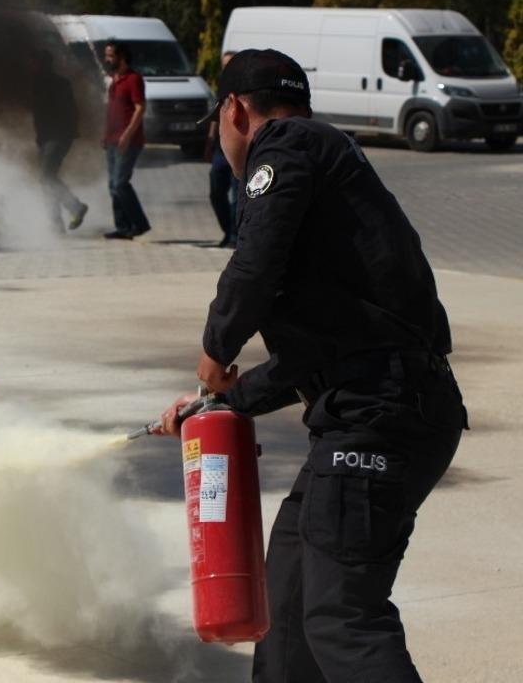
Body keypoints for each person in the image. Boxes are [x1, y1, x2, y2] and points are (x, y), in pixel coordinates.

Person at [159, 49, 467, 683]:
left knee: (341, 615)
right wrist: (220, 405)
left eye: (219, 123)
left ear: (235, 110)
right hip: (375, 409)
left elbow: (255, 264)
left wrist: (216, 353)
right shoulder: (327, 157)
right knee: (291, 607)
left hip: (376, 419)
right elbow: (320, 353)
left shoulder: (288, 147)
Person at [29, 49, 89, 231]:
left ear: (44, 64)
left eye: (35, 63)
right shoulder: (37, 83)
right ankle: (56, 223)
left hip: (58, 136)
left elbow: (71, 110)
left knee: (46, 176)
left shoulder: (58, 84)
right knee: (46, 179)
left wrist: (67, 130)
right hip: (46, 136)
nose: (33, 67)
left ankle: (75, 206)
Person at [102, 41, 151, 240]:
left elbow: (140, 108)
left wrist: (127, 135)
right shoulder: (113, 80)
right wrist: (105, 135)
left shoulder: (134, 79)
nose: (107, 59)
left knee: (120, 182)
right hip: (111, 139)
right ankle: (122, 227)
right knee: (112, 185)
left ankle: (139, 224)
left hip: (128, 140)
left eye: (110, 55)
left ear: (121, 56)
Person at [205, 50, 240, 247]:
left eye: (230, 64)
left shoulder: (245, 86)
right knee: (216, 192)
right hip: (220, 148)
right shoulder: (220, 86)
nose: (226, 68)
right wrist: (210, 141)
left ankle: (235, 237)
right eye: (224, 64)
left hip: (237, 147)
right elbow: (215, 114)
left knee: (237, 195)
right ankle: (228, 231)